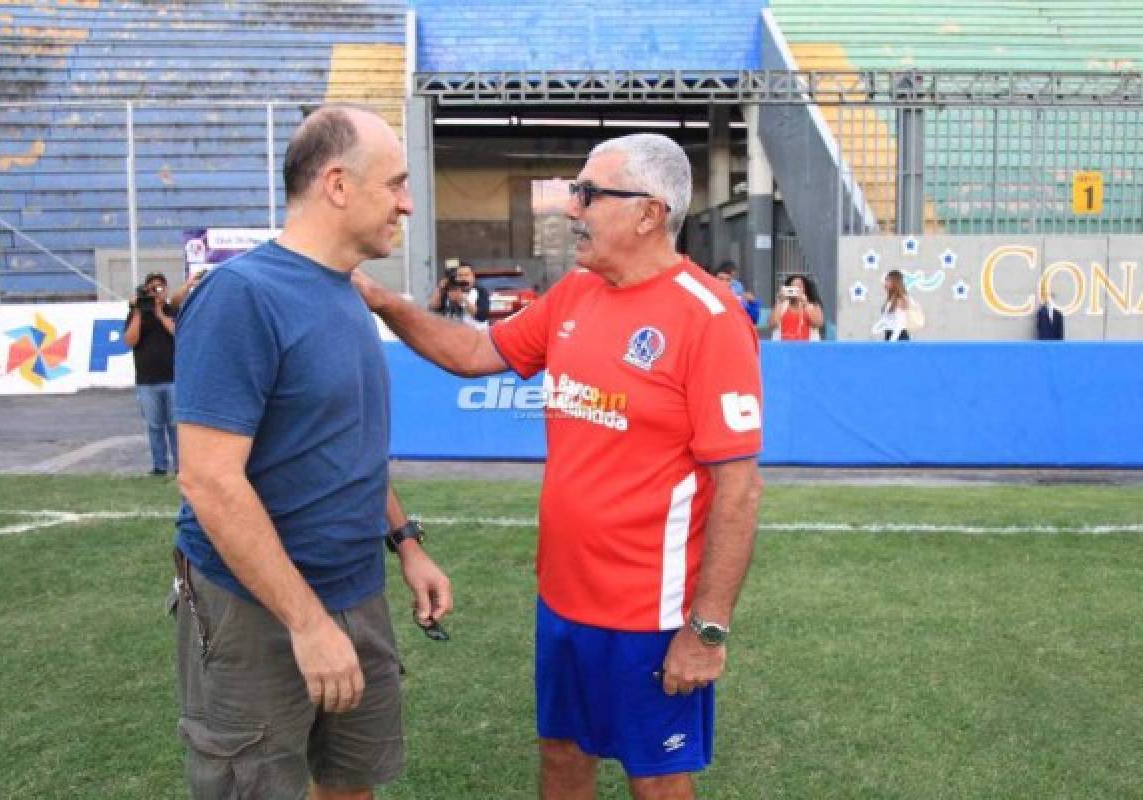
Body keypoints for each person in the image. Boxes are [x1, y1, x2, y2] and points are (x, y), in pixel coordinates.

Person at [354, 133, 763, 800]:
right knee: (563, 758)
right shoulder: (576, 293)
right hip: (564, 599)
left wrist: (706, 630)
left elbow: (740, 492)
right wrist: (386, 302)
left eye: (588, 194)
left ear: (647, 213)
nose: (572, 210)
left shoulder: (709, 319)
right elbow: (473, 354)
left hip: (651, 614)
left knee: (657, 781)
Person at [171, 105, 453, 800]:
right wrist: (307, 623)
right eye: (395, 183)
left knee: (351, 784)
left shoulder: (347, 292)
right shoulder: (242, 296)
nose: (408, 203)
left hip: (357, 588)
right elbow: (208, 482)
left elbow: (346, 445)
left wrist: (405, 540)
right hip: (255, 607)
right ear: (336, 185)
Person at [123, 271, 178, 475]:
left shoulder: (171, 310)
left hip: (172, 377)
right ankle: (159, 465)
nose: (156, 292)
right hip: (147, 379)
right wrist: (138, 311)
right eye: (152, 288)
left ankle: (180, 465)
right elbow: (130, 341)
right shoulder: (137, 313)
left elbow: (176, 332)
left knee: (175, 425)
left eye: (159, 288)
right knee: (155, 425)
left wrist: (159, 312)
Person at [427, 262, 490, 328]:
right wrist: (440, 289)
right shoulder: (448, 290)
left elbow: (482, 316)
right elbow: (433, 309)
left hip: (474, 333)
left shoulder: (480, 291)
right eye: (460, 275)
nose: (463, 278)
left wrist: (463, 300)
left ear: (473, 277)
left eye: (466, 275)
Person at [772, 273, 824, 341]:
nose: (795, 289)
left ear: (805, 289)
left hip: (807, 348)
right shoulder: (782, 306)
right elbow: (772, 324)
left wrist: (806, 304)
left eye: (799, 286)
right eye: (792, 286)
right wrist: (779, 301)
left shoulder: (812, 305)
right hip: (784, 348)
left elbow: (818, 323)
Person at [875, 269, 911, 341]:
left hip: (898, 336)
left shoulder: (899, 300)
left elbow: (900, 324)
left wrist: (892, 340)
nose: (885, 283)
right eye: (886, 280)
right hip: (890, 333)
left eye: (888, 280)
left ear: (895, 283)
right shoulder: (890, 299)